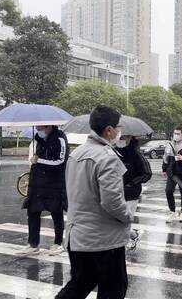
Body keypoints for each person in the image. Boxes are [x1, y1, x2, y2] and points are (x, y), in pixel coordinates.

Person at [56, 106, 132, 299]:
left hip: (77, 237)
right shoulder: (107, 157)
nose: (120, 131)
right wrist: (128, 216)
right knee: (113, 289)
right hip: (103, 240)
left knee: (79, 285)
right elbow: (112, 202)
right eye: (118, 127)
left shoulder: (76, 154)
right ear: (109, 130)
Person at [18, 125, 68, 256]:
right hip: (37, 183)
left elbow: (60, 162)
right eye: (37, 127)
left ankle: (58, 243)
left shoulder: (60, 139)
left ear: (49, 126)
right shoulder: (39, 140)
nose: (39, 129)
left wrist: (39, 160)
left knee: (56, 212)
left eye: (41, 127)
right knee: (33, 212)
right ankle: (33, 244)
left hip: (54, 184)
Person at [115, 135, 152, 251]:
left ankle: (125, 246)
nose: (120, 139)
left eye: (123, 137)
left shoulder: (136, 153)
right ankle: (134, 235)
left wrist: (132, 183)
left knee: (123, 224)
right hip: (115, 192)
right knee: (116, 223)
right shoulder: (112, 151)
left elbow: (147, 173)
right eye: (119, 136)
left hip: (131, 194)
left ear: (130, 138)